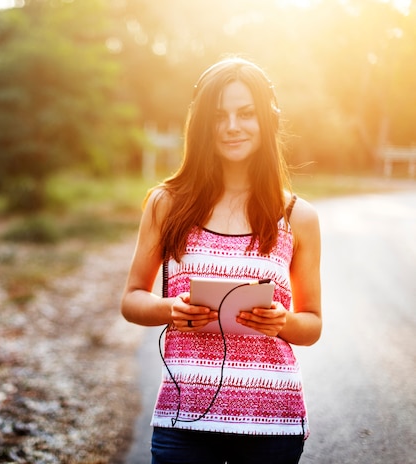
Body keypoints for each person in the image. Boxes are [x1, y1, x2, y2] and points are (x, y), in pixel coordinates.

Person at [120, 56, 322, 464]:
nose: (232, 126)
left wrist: (282, 322)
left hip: (272, 425)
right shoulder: (166, 204)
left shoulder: (298, 216)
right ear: (201, 126)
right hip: (184, 421)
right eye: (219, 116)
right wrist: (169, 308)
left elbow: (312, 325)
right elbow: (131, 300)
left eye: (246, 113)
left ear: (267, 120)